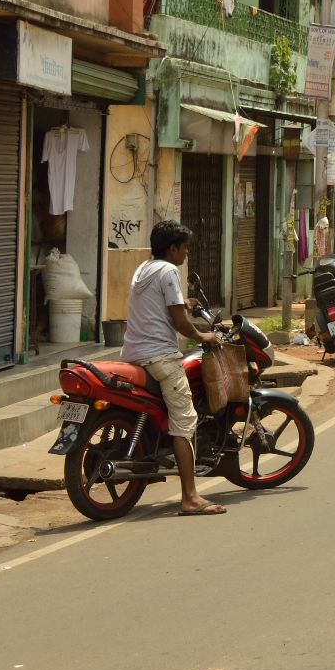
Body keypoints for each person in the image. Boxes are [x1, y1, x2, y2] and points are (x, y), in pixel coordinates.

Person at [124, 220, 225, 516]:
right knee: (185, 420)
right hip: (160, 356)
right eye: (185, 247)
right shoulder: (169, 271)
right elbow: (181, 324)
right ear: (172, 248)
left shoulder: (144, 268)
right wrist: (203, 335)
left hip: (133, 353)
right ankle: (190, 498)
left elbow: (161, 306)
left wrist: (183, 302)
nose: (187, 253)